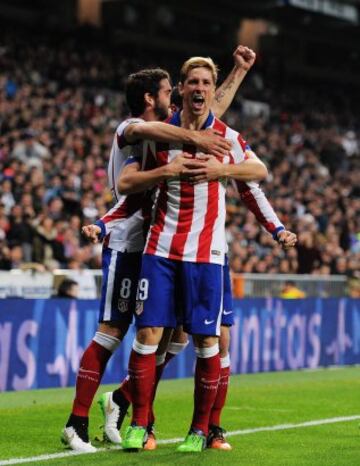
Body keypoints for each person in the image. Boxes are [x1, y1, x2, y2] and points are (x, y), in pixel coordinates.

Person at [62, 46, 254, 453]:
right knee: (116, 332)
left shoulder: (172, 125)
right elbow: (132, 186)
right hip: (131, 242)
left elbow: (208, 109)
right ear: (153, 98)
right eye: (172, 89)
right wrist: (192, 142)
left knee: (179, 338)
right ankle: (77, 422)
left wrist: (237, 73)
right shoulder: (134, 127)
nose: (179, 95)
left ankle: (123, 402)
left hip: (176, 247)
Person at [119, 56, 271, 453]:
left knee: (206, 341)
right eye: (192, 82)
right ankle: (139, 426)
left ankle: (200, 430)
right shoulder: (161, 134)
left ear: (211, 88)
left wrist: (224, 172)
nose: (199, 88)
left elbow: (260, 172)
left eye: (206, 82)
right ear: (182, 89)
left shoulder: (227, 137)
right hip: (161, 249)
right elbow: (127, 179)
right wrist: (163, 173)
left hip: (205, 254)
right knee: (147, 335)